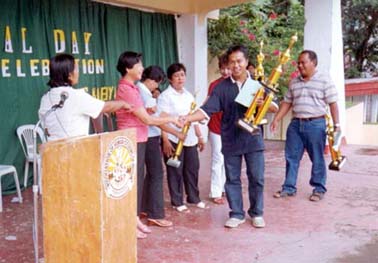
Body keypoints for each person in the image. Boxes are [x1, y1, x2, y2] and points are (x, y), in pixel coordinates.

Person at [181, 45, 278, 229]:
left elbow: (274, 107)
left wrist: (263, 102)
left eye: (239, 61)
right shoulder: (221, 88)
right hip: (230, 138)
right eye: (232, 62)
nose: (236, 65)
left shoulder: (258, 85)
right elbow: (206, 110)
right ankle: (236, 213)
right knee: (232, 178)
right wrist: (187, 118)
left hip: (253, 139)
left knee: (256, 177)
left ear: (246, 62)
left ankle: (257, 213)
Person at [115, 51, 181, 239]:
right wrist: (173, 119)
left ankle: (134, 218)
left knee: (138, 181)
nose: (142, 68)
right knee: (132, 183)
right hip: (132, 140)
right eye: (139, 65)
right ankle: (129, 221)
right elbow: (146, 119)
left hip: (139, 138)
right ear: (129, 68)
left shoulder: (133, 87)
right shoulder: (127, 89)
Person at [270, 50, 340, 202]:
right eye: (298, 63)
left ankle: (319, 189)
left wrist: (337, 125)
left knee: (317, 158)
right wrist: (276, 119)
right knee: (291, 157)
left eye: (303, 62)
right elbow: (287, 102)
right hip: (296, 125)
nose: (300, 66)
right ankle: (289, 188)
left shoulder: (324, 80)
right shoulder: (294, 82)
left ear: (313, 63)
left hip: (316, 124)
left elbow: (333, 103)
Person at [39, 53, 132, 141]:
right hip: (75, 151)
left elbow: (45, 127)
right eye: (76, 69)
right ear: (69, 75)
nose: (78, 72)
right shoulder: (76, 96)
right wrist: (123, 104)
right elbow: (105, 107)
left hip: (52, 153)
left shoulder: (45, 98)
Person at [158, 63, 206, 213]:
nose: (180, 78)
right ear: (170, 79)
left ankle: (193, 197)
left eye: (182, 75)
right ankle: (177, 201)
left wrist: (200, 136)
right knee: (175, 171)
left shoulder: (188, 95)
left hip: (189, 139)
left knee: (192, 169)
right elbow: (161, 119)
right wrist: (165, 140)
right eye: (177, 75)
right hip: (173, 139)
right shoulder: (165, 96)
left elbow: (194, 117)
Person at [137, 66, 175, 227]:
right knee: (157, 173)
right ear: (153, 80)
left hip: (144, 135)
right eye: (157, 83)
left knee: (149, 174)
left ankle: (145, 207)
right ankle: (156, 214)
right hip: (149, 136)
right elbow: (156, 119)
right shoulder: (145, 95)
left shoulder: (139, 91)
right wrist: (174, 127)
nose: (156, 88)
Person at [207, 54, 230, 204]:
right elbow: (208, 104)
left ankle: (224, 188)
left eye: (228, 68)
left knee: (228, 160)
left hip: (231, 128)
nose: (226, 71)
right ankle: (215, 192)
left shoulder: (238, 84)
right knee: (218, 159)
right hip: (216, 127)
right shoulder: (214, 85)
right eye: (223, 68)